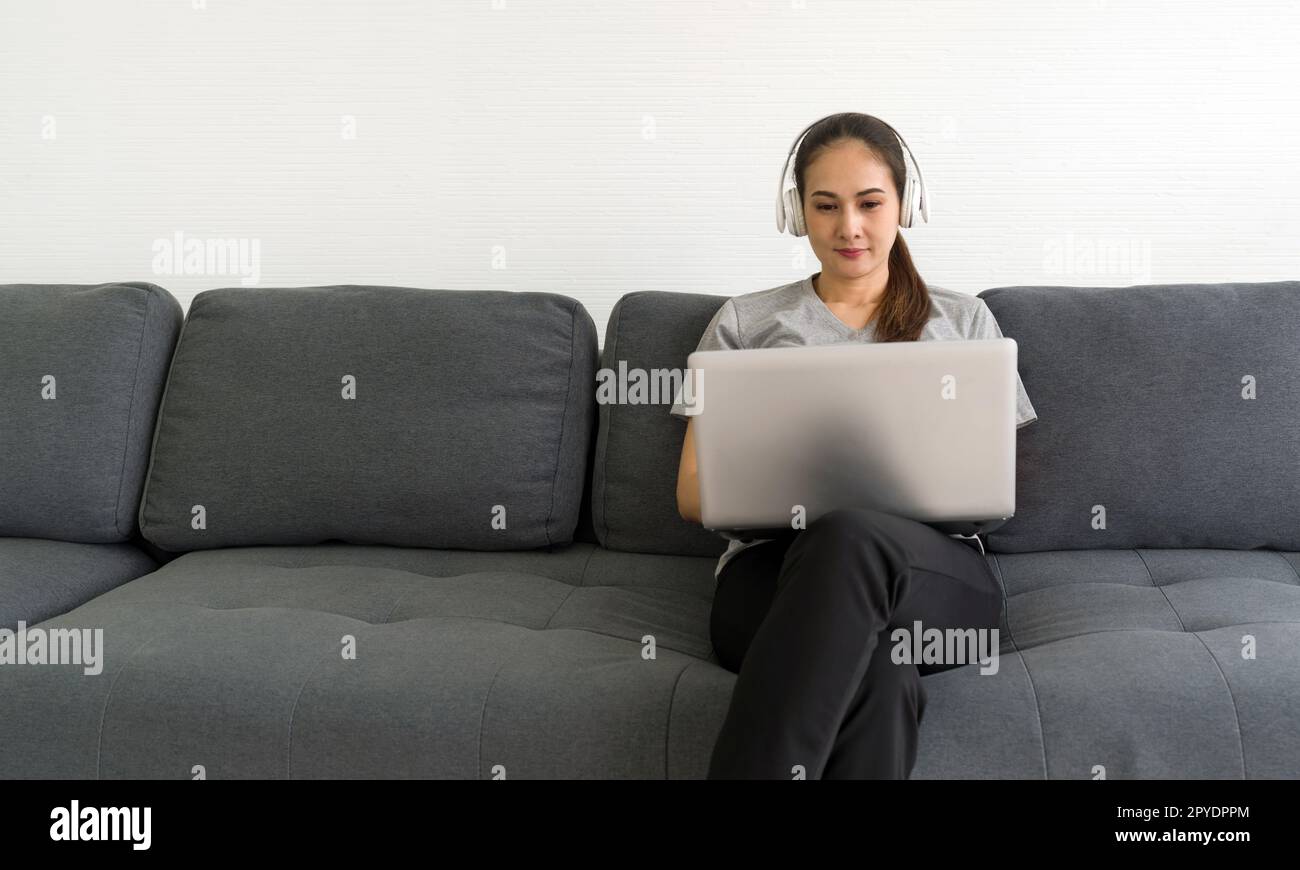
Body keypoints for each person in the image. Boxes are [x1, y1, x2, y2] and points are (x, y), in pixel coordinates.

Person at [668, 113, 1038, 779]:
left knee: (850, 536)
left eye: (870, 203)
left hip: (935, 580)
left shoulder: (964, 322)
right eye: (825, 206)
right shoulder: (745, 323)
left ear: (906, 204)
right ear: (796, 213)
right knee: (881, 675)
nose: (850, 228)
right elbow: (693, 494)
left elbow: (998, 490)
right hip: (770, 579)